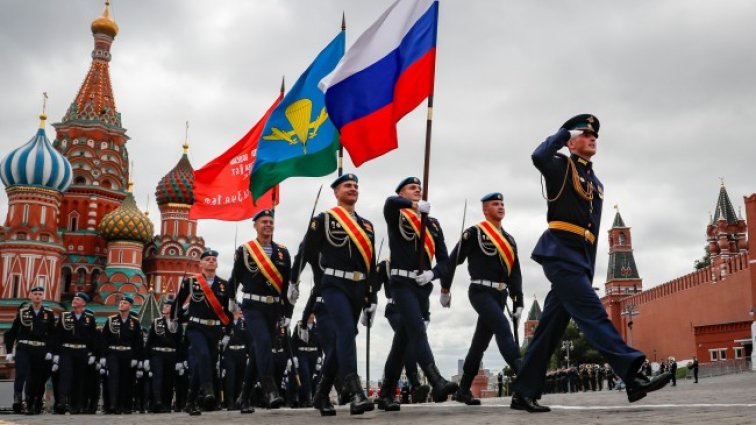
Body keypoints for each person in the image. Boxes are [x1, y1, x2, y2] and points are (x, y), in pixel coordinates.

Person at [510, 114, 672, 413]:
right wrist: (562, 133)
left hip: (578, 259)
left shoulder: (595, 182)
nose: (592, 137)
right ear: (571, 142)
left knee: (548, 332)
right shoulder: (559, 166)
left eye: (594, 134)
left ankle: (523, 392)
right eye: (584, 134)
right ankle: (633, 374)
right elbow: (537, 155)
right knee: (594, 314)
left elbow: (593, 231)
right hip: (559, 253)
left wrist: (588, 268)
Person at [289, 174, 375, 416]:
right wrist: (293, 280)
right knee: (346, 331)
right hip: (333, 283)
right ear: (336, 192)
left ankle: (322, 392)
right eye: (347, 185)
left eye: (356, 186)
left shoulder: (367, 225)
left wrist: (372, 298)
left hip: (358, 287)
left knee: (343, 340)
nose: (353, 188)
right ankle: (355, 390)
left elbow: (370, 263)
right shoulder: (325, 220)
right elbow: (305, 251)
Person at [378, 176, 457, 410]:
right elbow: (389, 203)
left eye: (419, 189)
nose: (418, 191)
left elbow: (444, 261)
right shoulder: (397, 215)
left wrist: (433, 274)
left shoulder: (432, 224)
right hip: (401, 283)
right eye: (412, 188)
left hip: (422, 286)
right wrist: (413, 207)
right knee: (417, 330)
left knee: (402, 342)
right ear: (402, 193)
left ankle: (385, 393)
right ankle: (436, 380)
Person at [441, 192, 524, 405]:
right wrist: (445, 288)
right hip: (480, 291)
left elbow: (515, 272)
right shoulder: (475, 233)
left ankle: (463, 389)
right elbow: (453, 260)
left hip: (500, 294)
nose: (501, 207)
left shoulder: (509, 239)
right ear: (485, 209)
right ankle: (525, 375)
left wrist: (518, 300)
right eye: (495, 204)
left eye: (502, 204)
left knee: (479, 344)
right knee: (502, 327)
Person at [231, 209, 292, 410]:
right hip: (252, 305)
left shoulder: (283, 252)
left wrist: (287, 313)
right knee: (263, 342)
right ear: (255, 225)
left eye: (270, 222)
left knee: (259, 350)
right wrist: (231, 301)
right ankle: (269, 388)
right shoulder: (246, 250)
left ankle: (244, 396)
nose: (268, 224)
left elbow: (286, 287)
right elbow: (235, 277)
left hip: (273, 307)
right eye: (263, 221)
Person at [172, 248, 233, 416]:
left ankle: (190, 402)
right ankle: (208, 390)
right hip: (196, 328)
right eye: (208, 259)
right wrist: (176, 318)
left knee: (203, 366)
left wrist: (228, 331)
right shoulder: (191, 282)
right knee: (204, 356)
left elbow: (228, 310)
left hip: (214, 330)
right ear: (201, 264)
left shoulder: (224, 284)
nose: (211, 261)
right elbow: (177, 303)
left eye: (214, 259)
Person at [372, 258, 430, 411]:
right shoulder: (386, 265)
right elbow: (374, 286)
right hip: (394, 309)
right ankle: (414, 384)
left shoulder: (410, 261)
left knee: (401, 347)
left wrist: (426, 314)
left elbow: (422, 289)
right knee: (408, 341)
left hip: (412, 309)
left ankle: (387, 391)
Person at [5, 286, 56, 414]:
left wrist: (50, 350)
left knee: (34, 377)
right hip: (24, 347)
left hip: (40, 349)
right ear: (31, 296)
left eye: (40, 294)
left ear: (43, 296)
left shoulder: (48, 313)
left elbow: (52, 334)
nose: (38, 296)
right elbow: (12, 332)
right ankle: (17, 399)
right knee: (22, 372)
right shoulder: (23, 312)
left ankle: (29, 403)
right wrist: (9, 351)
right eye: (35, 294)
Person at [54, 292, 97, 414]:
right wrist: (56, 354)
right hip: (67, 350)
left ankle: (76, 405)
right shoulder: (64, 316)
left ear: (83, 303)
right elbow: (57, 335)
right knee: (65, 376)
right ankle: (62, 402)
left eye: (77, 299)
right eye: (74, 299)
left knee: (79, 379)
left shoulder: (89, 318)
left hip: (82, 351)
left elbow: (93, 338)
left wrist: (92, 353)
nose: (74, 301)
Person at [100, 295, 144, 414]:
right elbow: (104, 339)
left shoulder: (134, 322)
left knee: (126, 380)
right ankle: (113, 404)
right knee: (113, 378)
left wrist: (136, 357)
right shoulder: (111, 320)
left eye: (124, 303)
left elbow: (138, 342)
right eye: (121, 303)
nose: (121, 304)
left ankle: (124, 405)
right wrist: (103, 356)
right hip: (113, 352)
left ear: (130, 306)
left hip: (128, 354)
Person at [144, 298, 182, 413]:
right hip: (157, 354)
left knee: (168, 380)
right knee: (158, 378)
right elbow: (149, 341)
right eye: (164, 306)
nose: (164, 307)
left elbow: (179, 343)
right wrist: (146, 358)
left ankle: (166, 403)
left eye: (167, 306)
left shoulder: (176, 324)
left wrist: (180, 360)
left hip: (171, 355)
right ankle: (157, 402)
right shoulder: (156, 322)